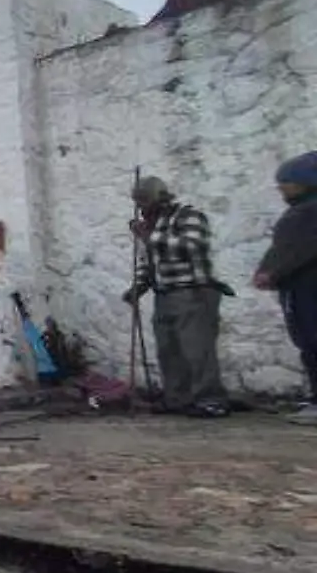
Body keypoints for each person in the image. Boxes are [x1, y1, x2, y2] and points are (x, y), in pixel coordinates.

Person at [124, 176, 230, 418]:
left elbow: (191, 246)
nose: (141, 208)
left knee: (197, 349)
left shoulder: (188, 216)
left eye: (144, 202)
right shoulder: (150, 226)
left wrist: (150, 236)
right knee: (168, 351)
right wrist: (138, 287)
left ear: (160, 198)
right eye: (138, 203)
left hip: (193, 291)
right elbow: (148, 261)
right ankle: (177, 399)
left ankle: (211, 400)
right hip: (164, 295)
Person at [255, 152, 317, 424]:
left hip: (307, 287)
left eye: (287, 182)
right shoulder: (302, 211)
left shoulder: (308, 212)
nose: (281, 187)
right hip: (301, 285)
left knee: (312, 341)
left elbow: (295, 250)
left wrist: (271, 273)